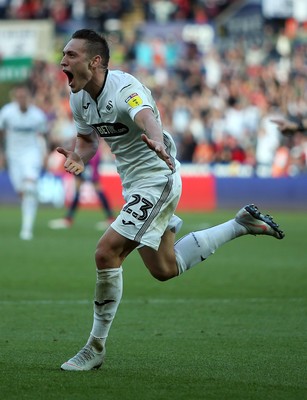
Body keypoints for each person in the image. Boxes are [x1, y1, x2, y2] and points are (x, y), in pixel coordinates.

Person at [58, 29, 285, 371]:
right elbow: (87, 139)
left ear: (95, 61)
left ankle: (95, 347)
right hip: (134, 185)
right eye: (63, 54)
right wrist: (79, 156)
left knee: (106, 252)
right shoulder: (78, 97)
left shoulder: (125, 89)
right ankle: (240, 225)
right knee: (164, 268)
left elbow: (145, 115)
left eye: (71, 55)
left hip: (158, 180)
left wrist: (156, 139)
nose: (63, 61)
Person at [0, 83, 48, 240]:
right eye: (19, 97)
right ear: (15, 98)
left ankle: (26, 230)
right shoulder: (6, 112)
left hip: (31, 154)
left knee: (28, 188)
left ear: (29, 98)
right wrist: (1, 153)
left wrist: (45, 153)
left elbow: (44, 135)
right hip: (13, 156)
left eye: (24, 96)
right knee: (22, 191)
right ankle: (34, 191)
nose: (22, 99)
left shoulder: (37, 115)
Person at [48, 145, 115, 230]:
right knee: (78, 189)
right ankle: (68, 219)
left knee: (96, 185)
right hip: (80, 154)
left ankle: (110, 218)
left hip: (90, 154)